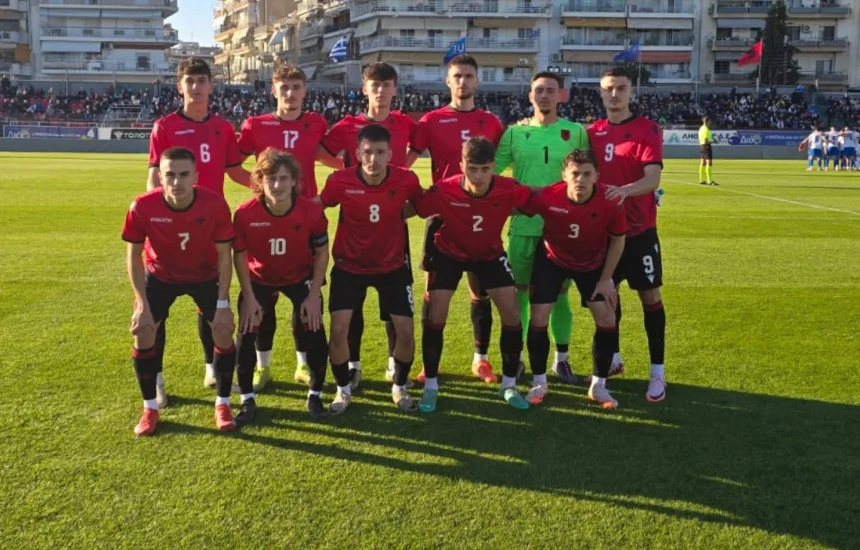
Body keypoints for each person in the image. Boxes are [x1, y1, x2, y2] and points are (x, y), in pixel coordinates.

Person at [236, 64, 341, 393]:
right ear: (274, 91)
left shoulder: (316, 123)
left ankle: (303, 365)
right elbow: (231, 164)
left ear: (305, 91)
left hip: (304, 222)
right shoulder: (256, 125)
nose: (291, 94)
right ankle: (262, 367)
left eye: (296, 87)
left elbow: (327, 157)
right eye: (285, 88)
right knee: (263, 299)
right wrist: (263, 192)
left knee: (304, 300)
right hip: (267, 219)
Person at [147, 58, 248, 392]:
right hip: (171, 227)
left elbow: (235, 171)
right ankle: (156, 380)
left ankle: (211, 369)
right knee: (155, 311)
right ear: (180, 86)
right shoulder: (164, 126)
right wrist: (156, 214)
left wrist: (271, 187)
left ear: (211, 86)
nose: (195, 87)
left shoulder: (222, 127)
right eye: (189, 81)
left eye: (201, 80)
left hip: (210, 228)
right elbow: (154, 176)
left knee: (212, 305)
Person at [122, 147, 238, 437]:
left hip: (205, 276)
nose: (177, 182)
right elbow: (133, 256)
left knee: (223, 330)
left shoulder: (214, 204)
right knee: (143, 330)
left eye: (184, 175)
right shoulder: (142, 206)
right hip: (160, 275)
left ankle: (223, 404)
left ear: (196, 176)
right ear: (160, 177)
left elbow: (225, 256)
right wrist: (141, 303)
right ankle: (150, 408)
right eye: (170, 175)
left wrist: (223, 304)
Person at [406, 54, 506, 384]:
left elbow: (503, 163)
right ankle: (428, 364)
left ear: (477, 80)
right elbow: (406, 162)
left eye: (468, 76)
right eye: (457, 76)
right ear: (448, 81)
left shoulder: (491, 123)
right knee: (434, 294)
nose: (463, 81)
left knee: (481, 291)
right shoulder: (431, 121)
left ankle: (481, 360)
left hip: (480, 218)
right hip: (442, 217)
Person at [413, 138, 532, 412]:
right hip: (448, 253)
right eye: (472, 169)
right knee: (436, 312)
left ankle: (509, 385)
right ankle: (431, 386)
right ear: (461, 165)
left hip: (489, 254)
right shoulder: (444, 189)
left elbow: (537, 201)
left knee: (511, 311)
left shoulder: (508, 188)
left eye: (485, 169)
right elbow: (418, 208)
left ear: (494, 167)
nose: (478, 176)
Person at [315, 124, 423, 413]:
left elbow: (423, 204)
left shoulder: (406, 179)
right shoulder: (339, 181)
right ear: (357, 153)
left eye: (379, 152)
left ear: (390, 154)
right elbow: (319, 205)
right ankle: (343, 390)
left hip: (393, 266)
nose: (373, 159)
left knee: (406, 331)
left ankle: (399, 387)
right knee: (339, 330)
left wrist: (397, 211)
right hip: (349, 266)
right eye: (367, 152)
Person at [320, 62, 415, 390]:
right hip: (356, 212)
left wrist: (398, 179)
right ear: (365, 89)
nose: (381, 91)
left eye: (387, 85)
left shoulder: (404, 123)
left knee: (395, 303)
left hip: (393, 217)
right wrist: (347, 171)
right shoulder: (348, 125)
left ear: (394, 89)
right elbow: (321, 151)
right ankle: (354, 366)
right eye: (375, 85)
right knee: (353, 303)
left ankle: (393, 363)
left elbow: (417, 149)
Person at [494, 71, 590, 386]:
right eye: (539, 90)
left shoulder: (576, 132)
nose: (544, 95)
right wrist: (518, 193)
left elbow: (587, 175)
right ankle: (520, 359)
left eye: (550, 90)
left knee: (559, 296)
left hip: (561, 230)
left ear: (561, 95)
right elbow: (493, 173)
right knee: (519, 296)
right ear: (530, 96)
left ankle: (561, 360)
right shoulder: (514, 133)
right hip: (523, 227)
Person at [520, 149, 626, 408]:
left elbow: (618, 239)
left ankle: (598, 386)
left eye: (587, 174)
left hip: (592, 263)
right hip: (552, 260)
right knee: (538, 317)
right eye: (575, 173)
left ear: (596, 176)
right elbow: (515, 205)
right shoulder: (549, 196)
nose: (580, 179)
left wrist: (606, 279)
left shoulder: (610, 201)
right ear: (564, 175)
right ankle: (539, 382)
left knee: (607, 317)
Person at [232, 149, 330, 423]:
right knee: (247, 329)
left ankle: (315, 395)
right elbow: (239, 256)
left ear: (295, 181)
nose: (277, 185)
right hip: (260, 277)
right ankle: (247, 399)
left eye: (284, 178)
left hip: (299, 276)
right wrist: (249, 296)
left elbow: (322, 253)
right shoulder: (245, 214)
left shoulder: (311, 211)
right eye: (271, 178)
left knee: (314, 325)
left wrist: (314, 295)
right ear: (259, 181)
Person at [587, 66, 666, 403]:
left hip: (639, 231)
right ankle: (613, 359)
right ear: (601, 92)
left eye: (621, 88)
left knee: (650, 298)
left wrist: (624, 190)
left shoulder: (648, 129)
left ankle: (657, 373)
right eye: (609, 88)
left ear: (631, 91)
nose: (615, 94)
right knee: (607, 297)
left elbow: (653, 179)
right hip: (604, 233)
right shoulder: (591, 132)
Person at [698, 116, 717, 186]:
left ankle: (701, 180)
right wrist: (714, 142)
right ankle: (709, 181)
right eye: (709, 121)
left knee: (702, 163)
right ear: (708, 121)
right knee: (709, 163)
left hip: (701, 147)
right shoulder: (706, 129)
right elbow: (706, 141)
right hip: (706, 147)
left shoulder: (701, 128)